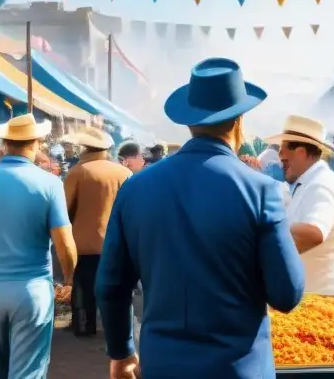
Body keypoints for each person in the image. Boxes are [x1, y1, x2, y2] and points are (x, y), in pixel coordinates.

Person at [96, 58, 304, 379]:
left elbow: (111, 284)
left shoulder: (135, 187)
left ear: (189, 122)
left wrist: (121, 353)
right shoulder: (261, 190)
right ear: (239, 122)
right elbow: (287, 294)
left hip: (163, 364)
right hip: (239, 367)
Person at [0, 114, 78, 379]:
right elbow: (64, 244)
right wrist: (69, 278)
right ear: (35, 143)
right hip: (32, 293)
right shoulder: (50, 184)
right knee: (27, 373)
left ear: (4, 144)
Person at [272, 116, 334, 297]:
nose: (280, 156)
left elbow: (313, 232)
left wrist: (261, 242)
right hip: (317, 297)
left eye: (283, 149)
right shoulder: (308, 182)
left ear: (301, 152)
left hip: (329, 299)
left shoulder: (321, 183)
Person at [64, 128, 131, 337]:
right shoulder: (124, 172)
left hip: (83, 243)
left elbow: (64, 208)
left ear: (85, 148)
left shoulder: (78, 172)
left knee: (83, 288)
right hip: (118, 243)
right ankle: (118, 327)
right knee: (118, 289)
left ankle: (84, 325)